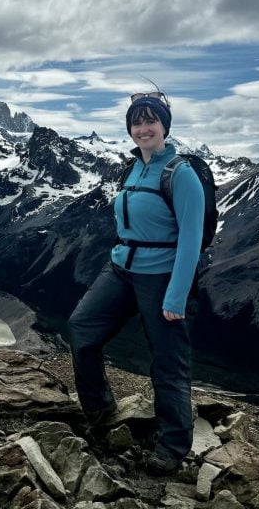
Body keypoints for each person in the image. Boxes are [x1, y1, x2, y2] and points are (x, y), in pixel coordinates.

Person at [68, 89, 204, 475]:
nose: (143, 128)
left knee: (167, 362)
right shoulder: (133, 167)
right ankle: (100, 410)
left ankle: (173, 446)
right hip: (121, 268)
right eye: (137, 122)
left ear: (164, 126)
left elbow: (191, 239)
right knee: (82, 327)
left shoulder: (182, 174)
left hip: (161, 275)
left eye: (151, 121)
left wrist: (176, 295)